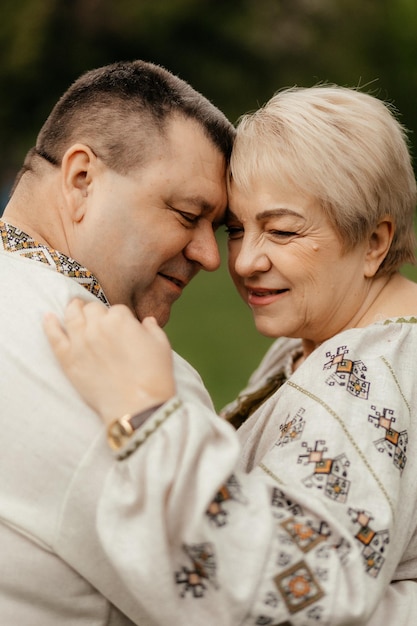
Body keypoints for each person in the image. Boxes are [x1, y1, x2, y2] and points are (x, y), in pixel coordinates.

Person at [44, 85, 417, 625]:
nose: (244, 262)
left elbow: (301, 594)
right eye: (237, 230)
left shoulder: (362, 371)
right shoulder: (320, 339)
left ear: (376, 242)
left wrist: (143, 415)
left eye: (283, 230)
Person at [0, 59, 235, 624]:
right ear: (82, 179)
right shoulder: (129, 380)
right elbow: (247, 597)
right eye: (187, 214)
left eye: (219, 228)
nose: (209, 255)